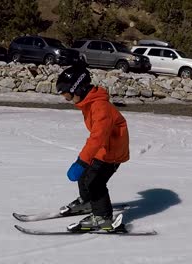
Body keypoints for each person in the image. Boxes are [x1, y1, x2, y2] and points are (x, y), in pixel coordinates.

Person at [55, 64, 130, 231]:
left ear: (78, 89)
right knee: (84, 176)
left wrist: (82, 161)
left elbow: (98, 136)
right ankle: (88, 202)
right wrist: (84, 163)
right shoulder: (89, 103)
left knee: (95, 182)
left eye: (67, 96)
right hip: (104, 148)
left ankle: (103, 217)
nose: (67, 100)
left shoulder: (99, 107)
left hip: (112, 152)